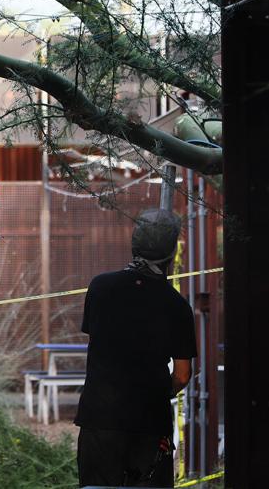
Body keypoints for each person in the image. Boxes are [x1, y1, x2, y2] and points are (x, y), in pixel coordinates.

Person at [75, 208, 197, 487]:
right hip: (149, 421)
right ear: (172, 252)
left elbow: (97, 340)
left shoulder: (100, 287)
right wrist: (156, 393)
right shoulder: (176, 305)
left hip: (99, 417)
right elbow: (182, 375)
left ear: (135, 244)